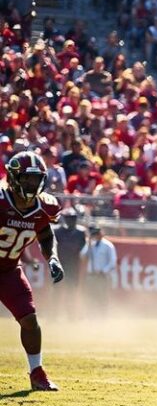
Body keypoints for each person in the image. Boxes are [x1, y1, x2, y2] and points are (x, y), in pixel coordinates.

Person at [0, 151, 65, 391]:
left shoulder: (44, 206)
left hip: (8, 271)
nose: (32, 183)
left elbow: (46, 235)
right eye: (27, 179)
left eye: (36, 179)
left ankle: (37, 373)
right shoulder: (1, 200)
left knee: (30, 320)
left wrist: (53, 258)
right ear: (14, 178)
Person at [53, 207, 87, 319]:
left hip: (73, 267)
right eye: (68, 218)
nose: (71, 220)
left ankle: (71, 315)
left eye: (73, 218)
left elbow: (83, 250)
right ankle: (54, 315)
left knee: (71, 292)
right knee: (56, 291)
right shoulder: (57, 231)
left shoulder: (80, 232)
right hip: (59, 266)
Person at [83, 225, 117, 317]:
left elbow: (112, 261)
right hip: (91, 276)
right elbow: (83, 255)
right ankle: (91, 315)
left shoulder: (108, 246)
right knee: (91, 296)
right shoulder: (91, 245)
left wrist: (103, 271)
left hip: (102, 276)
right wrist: (88, 243)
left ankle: (102, 316)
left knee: (102, 297)